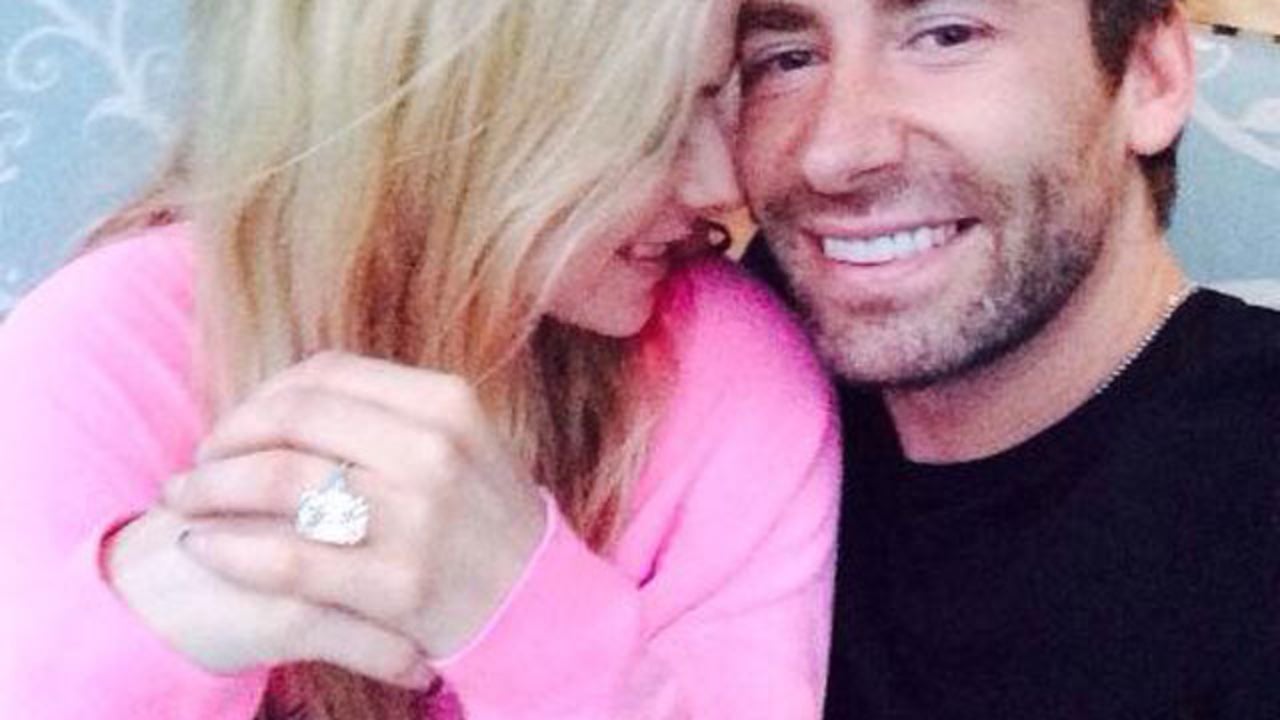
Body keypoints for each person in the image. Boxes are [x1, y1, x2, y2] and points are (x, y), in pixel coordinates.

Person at [0, 1, 841, 718]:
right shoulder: (105, 350)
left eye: (719, 97)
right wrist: (146, 637)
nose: (721, 187)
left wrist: (525, 616)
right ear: (448, 113)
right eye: (651, 124)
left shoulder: (735, 373)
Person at [735, 0, 1280, 717]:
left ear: (1149, 76)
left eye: (947, 36)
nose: (829, 155)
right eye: (787, 59)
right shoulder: (729, 367)